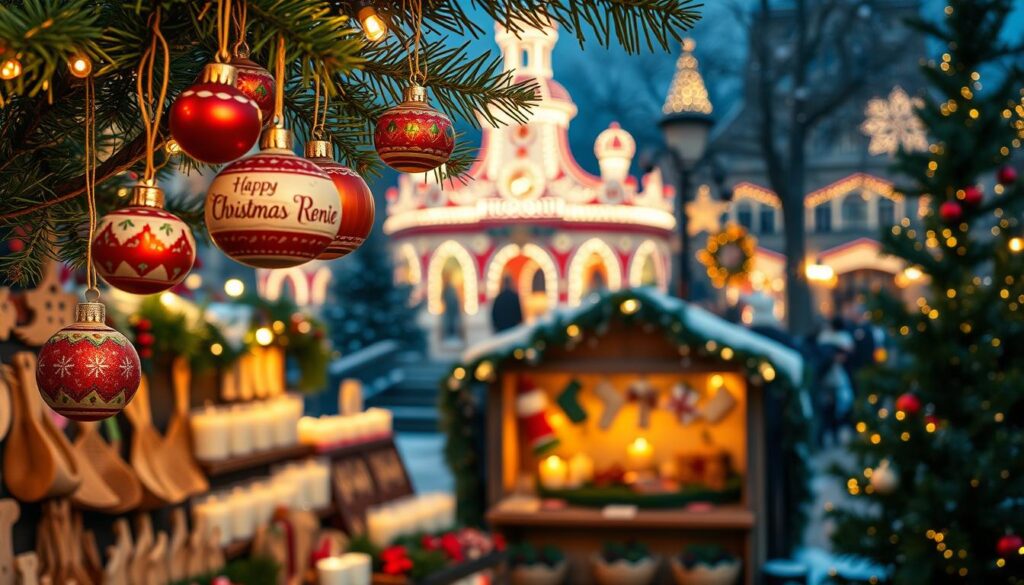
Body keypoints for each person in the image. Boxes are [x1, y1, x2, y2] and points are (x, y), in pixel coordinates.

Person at [814, 316, 855, 448]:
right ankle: (830, 434)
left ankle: (832, 434)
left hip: (834, 378)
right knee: (829, 408)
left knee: (833, 407)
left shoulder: (827, 338)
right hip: (831, 378)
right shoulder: (834, 338)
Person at [440, 275, 465, 347]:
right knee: (449, 323)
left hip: (452, 311)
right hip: (449, 311)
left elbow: (453, 301)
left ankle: (453, 335)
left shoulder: (450, 289)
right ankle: (450, 335)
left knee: (452, 323)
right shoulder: (447, 289)